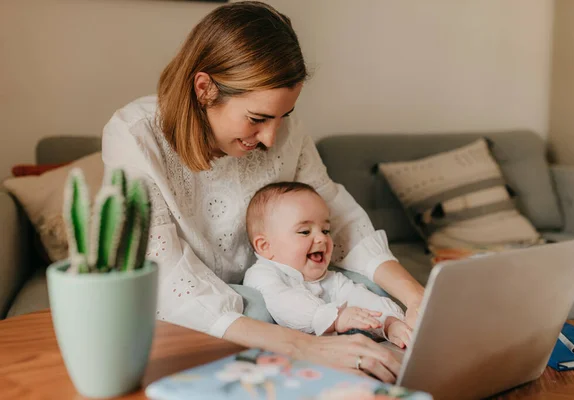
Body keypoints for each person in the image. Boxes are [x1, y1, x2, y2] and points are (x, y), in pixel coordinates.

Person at [102, 1, 424, 382]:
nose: (271, 137)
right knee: (255, 307)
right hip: (213, 311)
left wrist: (418, 299)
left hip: (283, 287)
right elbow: (166, 279)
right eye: (257, 119)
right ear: (204, 88)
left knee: (372, 290)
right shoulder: (135, 137)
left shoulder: (285, 133)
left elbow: (338, 217)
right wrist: (307, 346)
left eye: (282, 117)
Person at [243, 182, 412, 349]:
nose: (322, 238)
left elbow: (359, 297)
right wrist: (335, 318)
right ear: (265, 246)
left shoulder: (330, 278)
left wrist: (389, 323)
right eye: (305, 231)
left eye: (325, 230)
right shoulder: (262, 274)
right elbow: (283, 302)